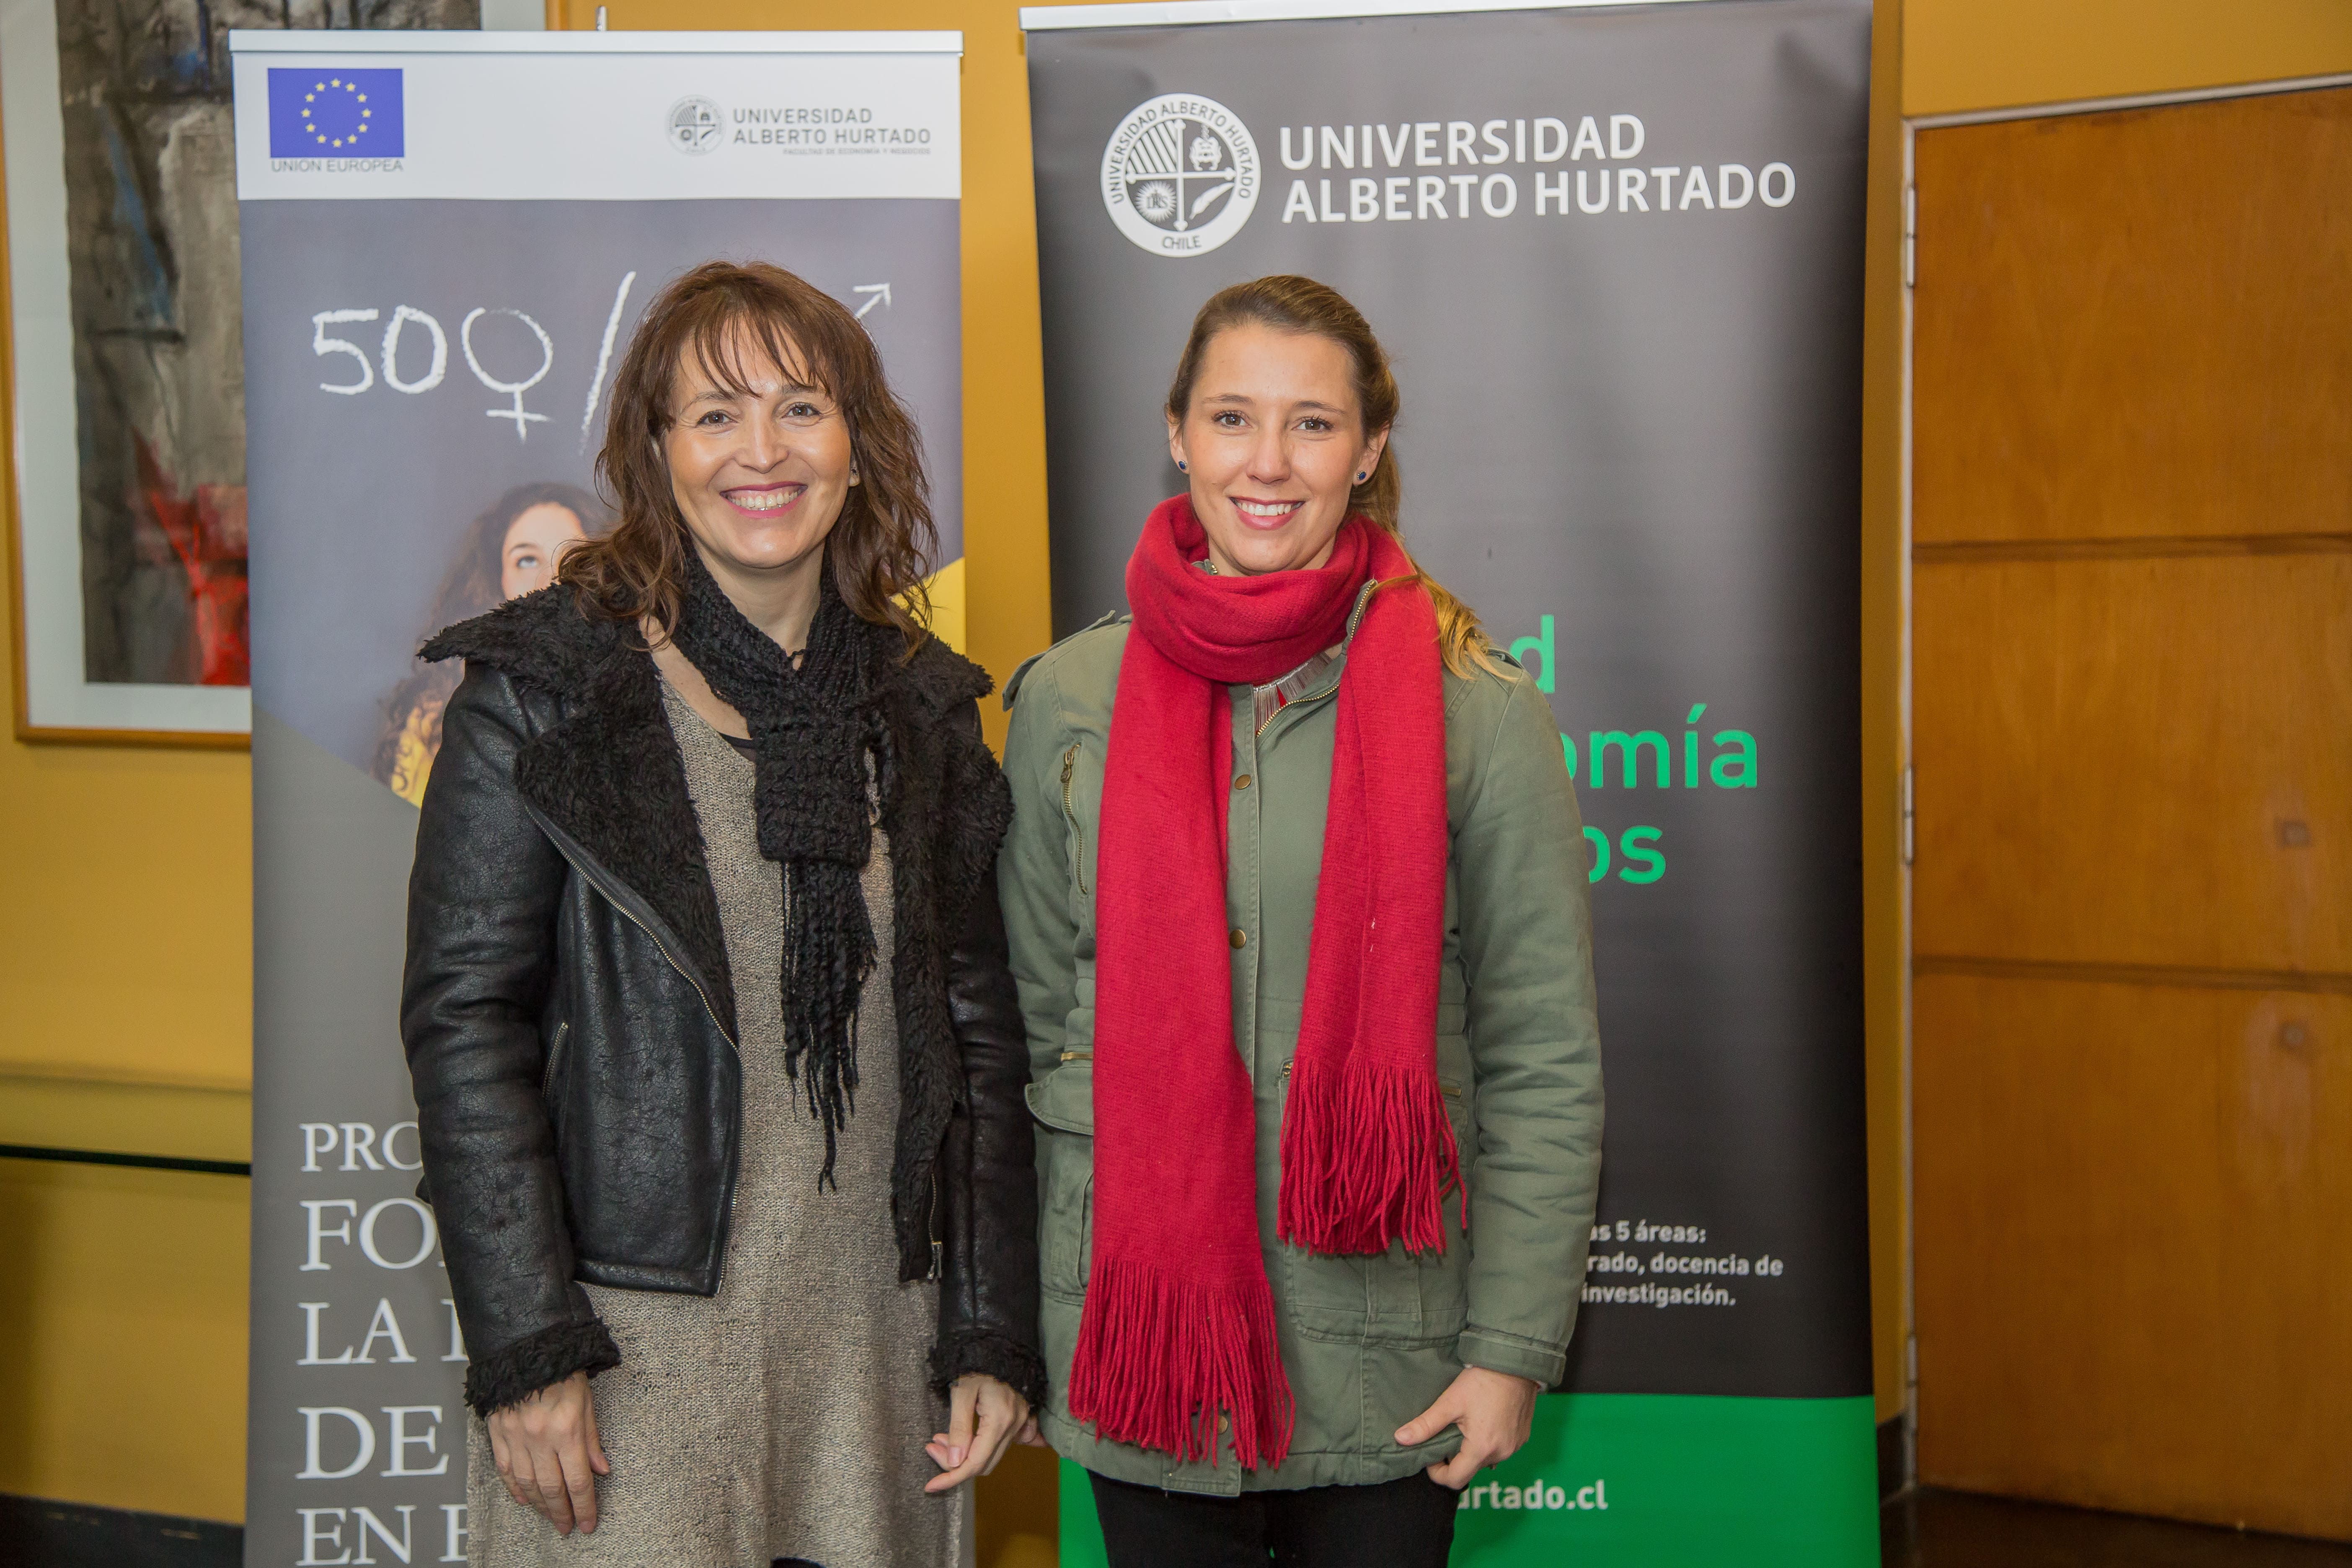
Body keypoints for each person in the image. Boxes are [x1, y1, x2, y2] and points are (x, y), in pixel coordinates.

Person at [400, 261, 1043, 1567]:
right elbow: (467, 1021)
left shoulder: (921, 708)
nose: (762, 450)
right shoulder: (542, 692)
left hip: (874, 1345)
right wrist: (529, 1342)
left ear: (856, 448)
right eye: (713, 414)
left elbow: (976, 1035)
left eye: (801, 407)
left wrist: (987, 1325)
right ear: (656, 454)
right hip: (627, 1355)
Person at [998, 275, 1602, 1567]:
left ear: (1367, 450)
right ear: (1176, 432)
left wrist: (1508, 1346)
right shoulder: (1067, 696)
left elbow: (1540, 1052)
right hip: (1137, 1356)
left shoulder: (1476, 708)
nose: (1265, 462)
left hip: (1389, 1362)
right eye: (1230, 417)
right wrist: (1009, 1330)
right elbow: (1033, 1022)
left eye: (1311, 424)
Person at [374, 482, 606, 806]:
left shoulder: (640, 694)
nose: (550, 579)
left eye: (573, 559)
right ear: (498, 580)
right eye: (527, 560)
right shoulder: (437, 717)